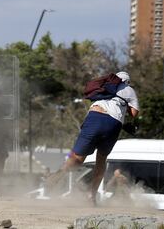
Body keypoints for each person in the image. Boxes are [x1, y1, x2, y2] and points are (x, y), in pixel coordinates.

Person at [46, 71, 139, 205]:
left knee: (77, 157)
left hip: (94, 116)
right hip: (113, 124)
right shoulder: (129, 90)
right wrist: (126, 109)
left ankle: (59, 173)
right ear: (127, 81)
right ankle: (91, 196)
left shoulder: (105, 85)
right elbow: (134, 113)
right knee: (101, 160)